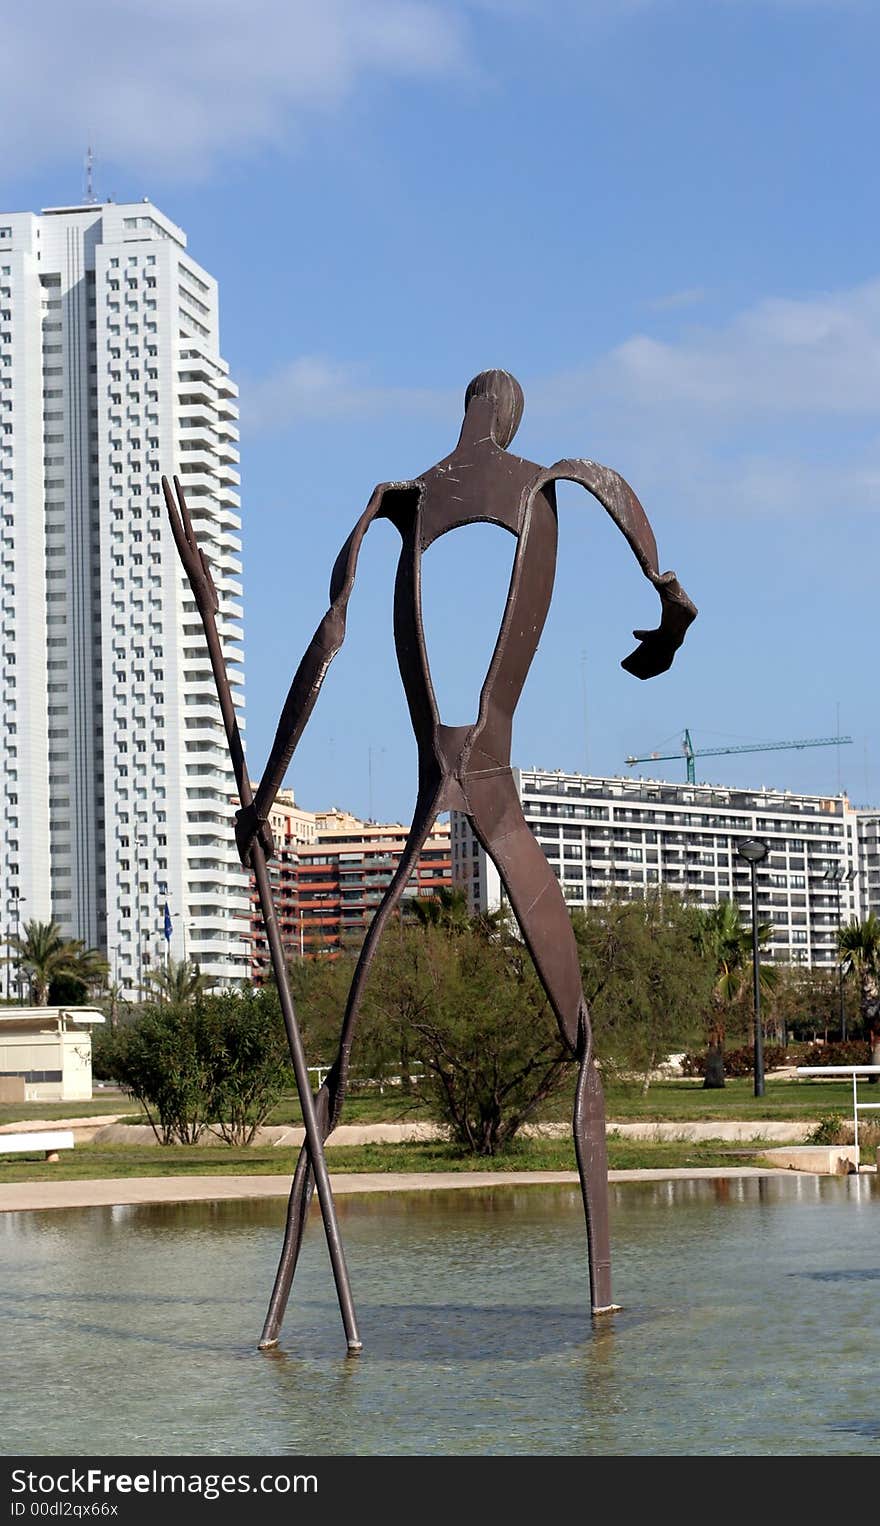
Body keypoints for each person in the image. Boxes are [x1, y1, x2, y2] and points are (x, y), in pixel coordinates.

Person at [236, 369, 697, 1346]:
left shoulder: (393, 501)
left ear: (464, 412)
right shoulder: (557, 482)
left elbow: (327, 640)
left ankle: (276, 1314)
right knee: (581, 1048)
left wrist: (265, 792)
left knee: (341, 1074)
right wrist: (669, 614)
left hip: (421, 790)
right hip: (494, 789)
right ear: (514, 415)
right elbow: (650, 551)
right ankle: (600, 1301)